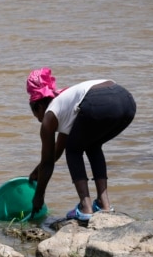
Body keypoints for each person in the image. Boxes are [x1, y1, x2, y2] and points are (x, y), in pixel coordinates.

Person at [26, 67, 136, 221]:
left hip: (98, 100)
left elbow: (49, 162)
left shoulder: (49, 116)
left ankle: (85, 208)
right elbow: (54, 153)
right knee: (92, 144)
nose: (38, 119)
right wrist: (38, 170)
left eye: (36, 115)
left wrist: (39, 195)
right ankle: (104, 205)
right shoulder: (66, 106)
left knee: (73, 150)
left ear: (39, 107)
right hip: (126, 101)